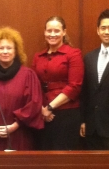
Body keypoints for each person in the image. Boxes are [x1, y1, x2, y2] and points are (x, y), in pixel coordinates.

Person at [32, 16, 84, 150]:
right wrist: (42, 109)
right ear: (44, 32)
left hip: (66, 114)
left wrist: (49, 108)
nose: (52, 34)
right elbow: (34, 86)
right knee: (43, 159)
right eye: (49, 31)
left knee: (63, 160)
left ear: (64, 32)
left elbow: (74, 86)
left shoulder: (73, 54)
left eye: (56, 31)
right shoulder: (38, 56)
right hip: (42, 115)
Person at [80, 9, 109, 150]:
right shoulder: (89, 57)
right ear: (98, 30)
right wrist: (83, 121)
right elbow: (85, 92)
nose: (106, 32)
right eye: (103, 28)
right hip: (91, 127)